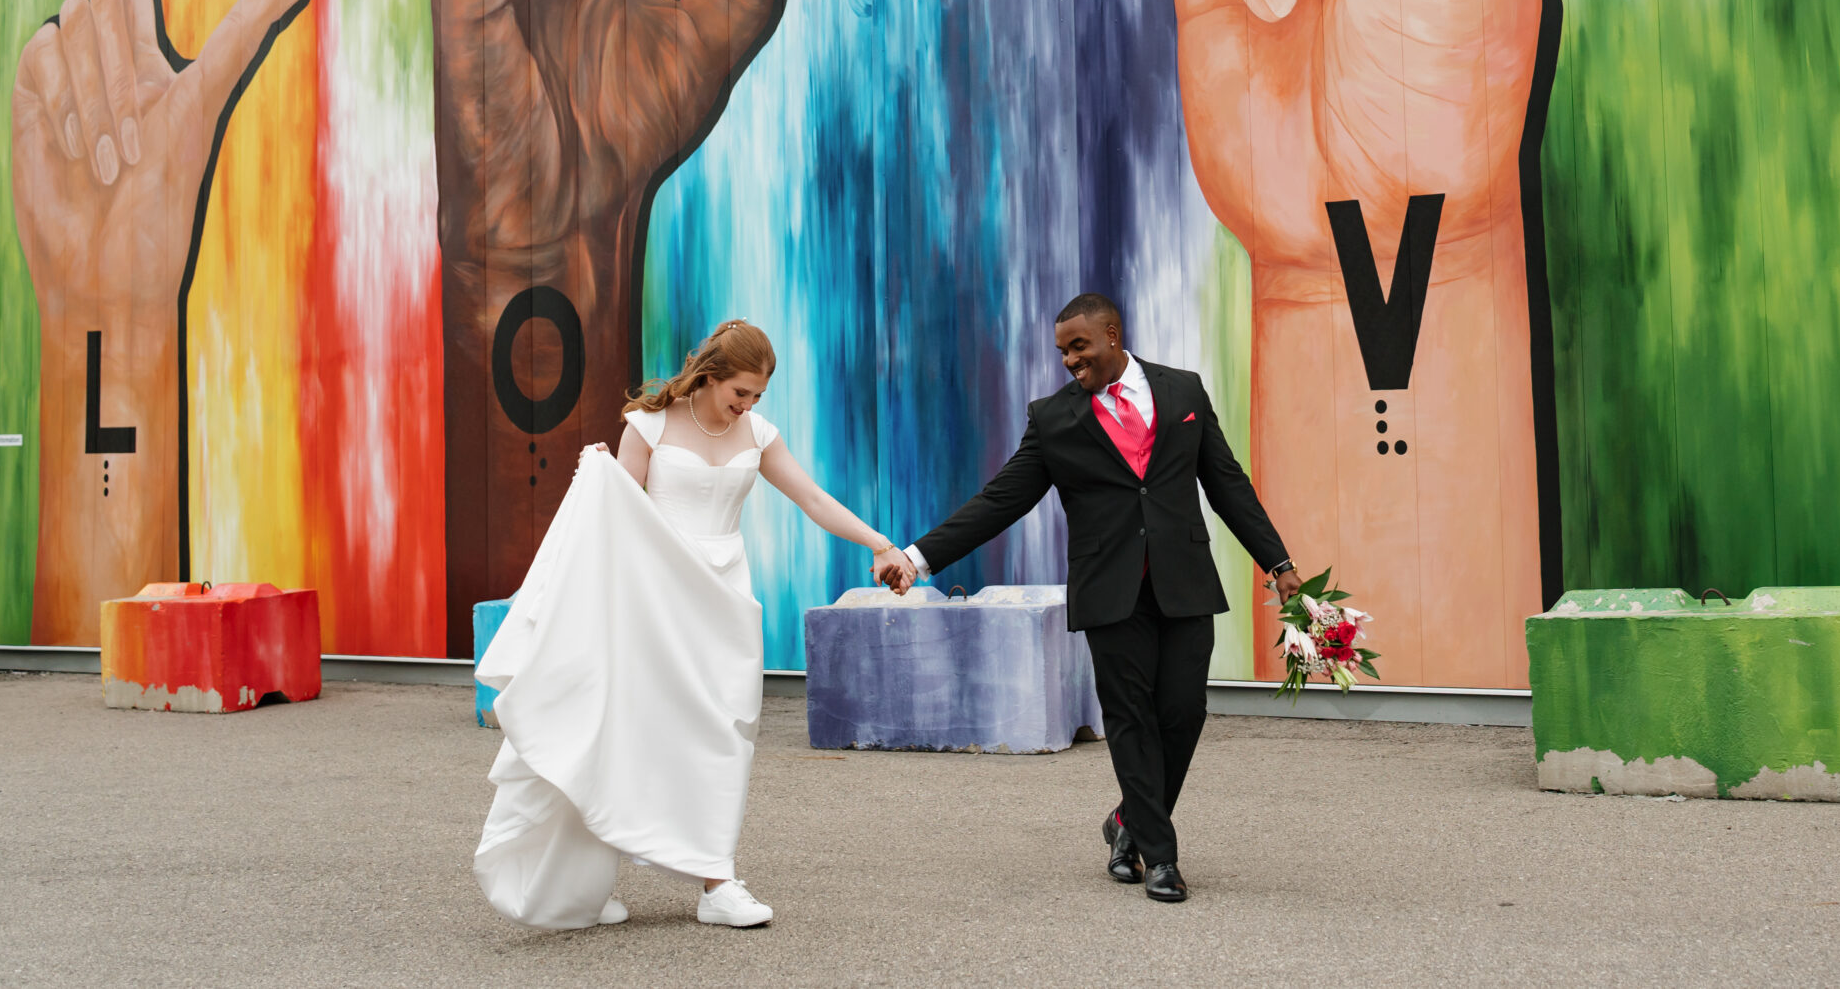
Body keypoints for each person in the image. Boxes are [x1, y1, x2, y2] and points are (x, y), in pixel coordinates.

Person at [474, 320, 913, 930]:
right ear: (709, 376)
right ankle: (591, 880)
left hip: (726, 598)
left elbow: (812, 499)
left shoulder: (758, 434)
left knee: (725, 733)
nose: (748, 406)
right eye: (741, 392)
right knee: (625, 731)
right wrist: (593, 477)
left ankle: (718, 882)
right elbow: (615, 518)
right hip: (654, 598)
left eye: (758, 396)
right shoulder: (647, 425)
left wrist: (882, 544)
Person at [880, 293, 1304, 903]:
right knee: (1130, 717)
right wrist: (917, 559)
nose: (1069, 361)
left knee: (1183, 714)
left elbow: (1227, 482)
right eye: (1061, 352)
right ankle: (1161, 858)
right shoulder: (1053, 419)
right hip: (1109, 590)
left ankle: (1128, 821)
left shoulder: (1183, 391)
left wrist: (1279, 562)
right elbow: (1000, 501)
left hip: (1184, 581)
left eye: (1079, 347)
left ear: (1112, 332)